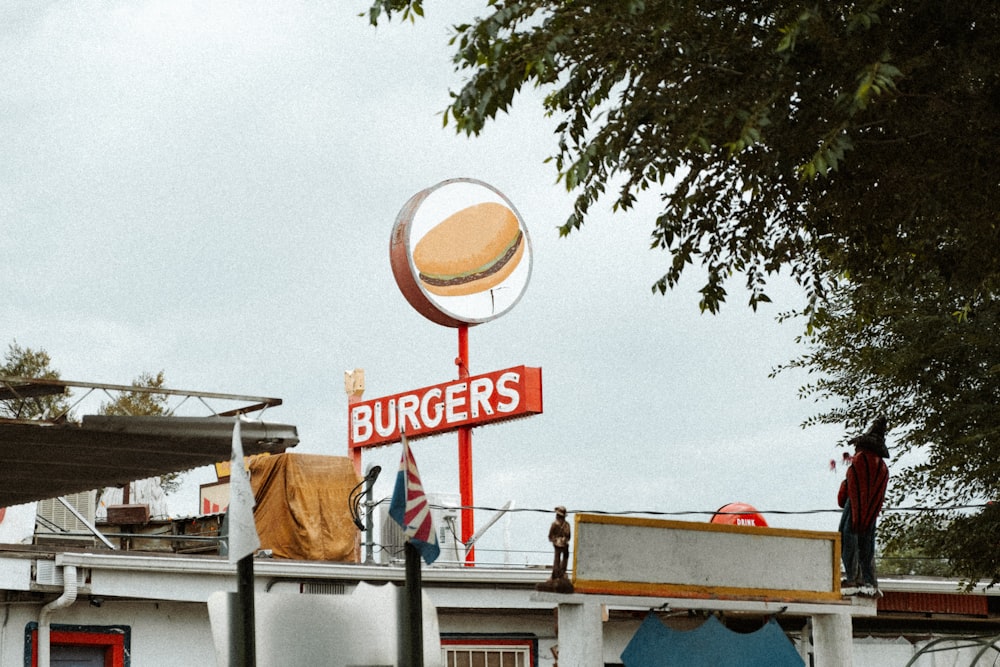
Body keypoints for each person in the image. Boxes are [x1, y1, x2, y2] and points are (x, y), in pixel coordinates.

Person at [838, 416, 890, 596]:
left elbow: (848, 491)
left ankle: (854, 577)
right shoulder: (883, 468)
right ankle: (869, 580)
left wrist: (845, 487)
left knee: (847, 538)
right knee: (867, 546)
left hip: (855, 509)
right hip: (871, 514)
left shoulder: (860, 461)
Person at [548, 506, 571, 580]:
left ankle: (563, 573)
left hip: (564, 545)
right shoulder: (554, 524)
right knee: (557, 559)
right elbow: (550, 536)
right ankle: (555, 574)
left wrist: (564, 540)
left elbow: (568, 536)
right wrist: (555, 540)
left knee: (565, 558)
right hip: (557, 544)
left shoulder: (567, 525)